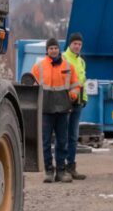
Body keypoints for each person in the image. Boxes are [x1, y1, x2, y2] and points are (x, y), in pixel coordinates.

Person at [32, 38, 81, 184]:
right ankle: (48, 170)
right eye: (51, 48)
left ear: (59, 49)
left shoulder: (68, 66)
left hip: (63, 108)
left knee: (62, 141)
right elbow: (32, 86)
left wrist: (73, 95)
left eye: (55, 48)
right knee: (46, 141)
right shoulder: (38, 67)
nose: (53, 50)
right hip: (46, 109)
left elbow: (76, 84)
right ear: (47, 50)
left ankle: (61, 171)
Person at [61, 32, 88, 180]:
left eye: (79, 44)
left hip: (77, 102)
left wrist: (84, 99)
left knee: (73, 136)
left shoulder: (82, 62)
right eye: (75, 44)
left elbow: (82, 82)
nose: (77, 46)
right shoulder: (63, 59)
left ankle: (71, 166)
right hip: (65, 102)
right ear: (69, 45)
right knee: (63, 135)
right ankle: (61, 166)